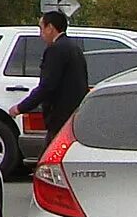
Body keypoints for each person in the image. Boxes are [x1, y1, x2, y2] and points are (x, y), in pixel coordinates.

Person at [15, 8, 88, 144]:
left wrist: (21, 107)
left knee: (49, 159)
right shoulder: (74, 48)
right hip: (73, 115)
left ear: (50, 28)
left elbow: (47, 86)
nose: (40, 34)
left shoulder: (55, 50)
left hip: (60, 117)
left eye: (41, 28)